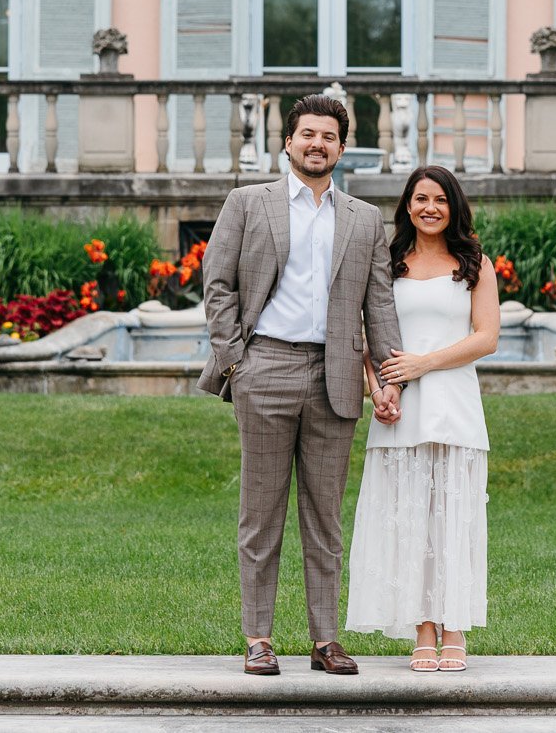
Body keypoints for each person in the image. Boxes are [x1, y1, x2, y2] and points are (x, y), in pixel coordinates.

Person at [196, 93, 404, 677]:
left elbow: (379, 303)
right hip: (265, 370)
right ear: (288, 142)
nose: (317, 144)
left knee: (325, 518)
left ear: (342, 146)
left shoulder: (364, 219)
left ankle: (324, 640)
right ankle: (258, 637)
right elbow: (218, 285)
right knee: (260, 514)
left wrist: (390, 378)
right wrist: (236, 360)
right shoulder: (246, 203)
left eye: (329, 136)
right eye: (307, 134)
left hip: (335, 377)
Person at [344, 163, 497, 672]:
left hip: (454, 405)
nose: (429, 208)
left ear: (453, 206)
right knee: (410, 518)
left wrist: (423, 363)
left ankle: (454, 626)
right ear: (406, 205)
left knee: (452, 517)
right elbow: (369, 336)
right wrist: (377, 389)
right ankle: (423, 630)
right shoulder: (388, 262)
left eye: (440, 199)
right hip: (401, 409)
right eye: (420, 198)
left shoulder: (474, 263)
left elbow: (485, 337)